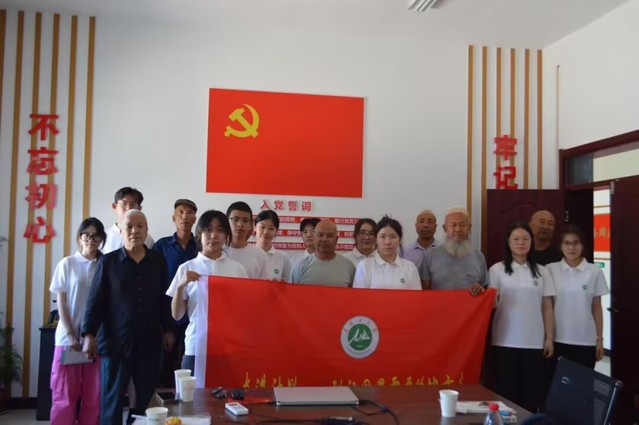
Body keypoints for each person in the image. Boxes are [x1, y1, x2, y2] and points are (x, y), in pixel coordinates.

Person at [82, 210, 175, 425]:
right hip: (115, 342)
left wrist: (168, 329)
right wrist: (88, 334)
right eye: (129, 227)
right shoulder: (108, 262)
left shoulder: (158, 261)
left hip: (149, 342)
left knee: (145, 400)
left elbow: (164, 298)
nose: (135, 231)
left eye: (140, 226)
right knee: (112, 400)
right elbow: (95, 301)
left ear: (146, 230)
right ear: (121, 232)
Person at [166, 210, 247, 373]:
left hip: (228, 347)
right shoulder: (187, 268)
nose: (214, 235)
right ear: (199, 234)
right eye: (208, 229)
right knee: (193, 390)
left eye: (220, 230)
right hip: (196, 345)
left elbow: (245, 309)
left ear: (226, 235)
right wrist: (180, 287)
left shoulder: (237, 269)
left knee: (228, 389)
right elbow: (177, 315)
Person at [488, 221, 555, 414]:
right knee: (506, 394)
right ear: (508, 242)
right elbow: (491, 304)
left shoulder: (542, 271)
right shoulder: (496, 270)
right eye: (516, 239)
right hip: (504, 340)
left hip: (534, 342)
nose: (520, 243)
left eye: (525, 239)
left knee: (531, 394)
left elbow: (547, 307)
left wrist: (549, 338)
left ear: (531, 242)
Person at [49, 218, 106, 425]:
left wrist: (95, 336)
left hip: (95, 341)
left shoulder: (105, 265)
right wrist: (71, 334)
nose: (91, 239)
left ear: (102, 239)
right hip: (68, 340)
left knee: (94, 395)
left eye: (96, 235)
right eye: (86, 235)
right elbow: (61, 302)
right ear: (80, 237)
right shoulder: (68, 263)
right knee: (64, 393)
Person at [546, 224, 609, 369]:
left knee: (582, 382)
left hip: (585, 340)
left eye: (576, 243)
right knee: (556, 381)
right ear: (560, 246)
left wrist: (599, 339)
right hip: (557, 338)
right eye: (567, 243)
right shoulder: (550, 269)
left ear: (582, 246)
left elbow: (597, 307)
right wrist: (547, 338)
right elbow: (547, 306)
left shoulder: (594, 271)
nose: (571, 247)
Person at [152, 199, 198, 386]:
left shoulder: (201, 246)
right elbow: (156, 286)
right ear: (173, 217)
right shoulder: (161, 246)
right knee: (166, 367)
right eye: (181, 212)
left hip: (194, 318)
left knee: (191, 369)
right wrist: (166, 328)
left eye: (189, 213)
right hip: (169, 316)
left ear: (195, 219)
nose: (185, 216)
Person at [420, 207, 488, 294]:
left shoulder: (479, 256)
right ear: (445, 228)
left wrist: (480, 290)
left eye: (463, 225)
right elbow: (424, 292)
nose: (458, 229)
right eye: (453, 225)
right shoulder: (430, 255)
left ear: (469, 227)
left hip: (470, 303)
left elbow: (485, 289)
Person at [353, 216, 421, 290]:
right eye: (383, 237)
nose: (387, 242)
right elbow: (360, 296)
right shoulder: (364, 266)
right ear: (376, 240)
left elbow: (415, 296)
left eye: (393, 237)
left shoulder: (410, 268)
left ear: (399, 240)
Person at [290, 220, 356, 287]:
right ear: (314, 237)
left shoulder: (349, 267)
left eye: (330, 236)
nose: (324, 239)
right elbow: (291, 292)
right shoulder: (300, 267)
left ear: (336, 239)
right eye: (320, 235)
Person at [102, 187, 154, 253]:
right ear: (115, 206)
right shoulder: (104, 236)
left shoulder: (147, 239)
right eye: (124, 204)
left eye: (133, 204)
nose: (128, 208)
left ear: (139, 208)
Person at [225, 201, 268, 279]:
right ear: (226, 221)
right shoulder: (218, 251)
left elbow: (263, 285)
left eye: (245, 221)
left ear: (250, 225)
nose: (240, 224)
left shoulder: (260, 255)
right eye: (235, 219)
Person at [254, 210, 292, 281]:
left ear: (276, 231)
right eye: (262, 227)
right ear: (255, 227)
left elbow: (289, 283)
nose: (266, 232)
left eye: (271, 228)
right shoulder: (247, 254)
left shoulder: (283, 258)